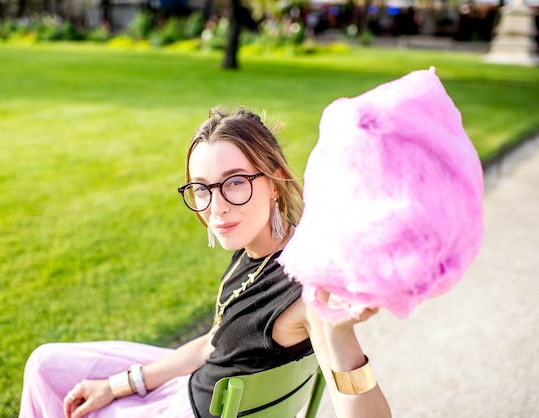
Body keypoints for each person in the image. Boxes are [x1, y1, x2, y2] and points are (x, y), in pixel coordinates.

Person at [19, 107, 391, 418]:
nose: (216, 207)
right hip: (198, 382)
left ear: (274, 181)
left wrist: (340, 334)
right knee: (44, 363)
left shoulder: (307, 291)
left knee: (54, 385)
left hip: (192, 407)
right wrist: (117, 386)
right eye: (201, 188)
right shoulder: (260, 249)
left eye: (234, 182)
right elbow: (213, 345)